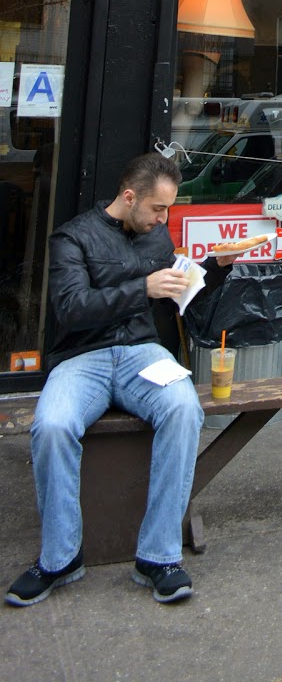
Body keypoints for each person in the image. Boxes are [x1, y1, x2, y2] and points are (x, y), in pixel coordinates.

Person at [5, 151, 236, 607]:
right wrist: (141, 289)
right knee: (51, 425)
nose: (163, 219)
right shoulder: (73, 238)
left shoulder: (156, 234)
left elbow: (176, 292)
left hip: (141, 354)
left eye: (168, 209)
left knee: (184, 408)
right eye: (156, 208)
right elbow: (70, 310)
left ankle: (158, 557)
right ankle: (60, 557)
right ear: (129, 197)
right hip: (81, 357)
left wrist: (212, 269)